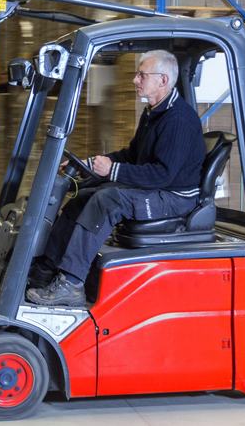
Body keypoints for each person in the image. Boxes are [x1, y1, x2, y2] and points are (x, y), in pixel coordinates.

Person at [26, 50, 206, 307]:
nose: (135, 79)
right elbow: (132, 155)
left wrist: (111, 170)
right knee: (83, 196)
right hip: (161, 188)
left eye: (142, 74)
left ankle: (71, 284)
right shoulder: (153, 113)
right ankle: (44, 270)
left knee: (107, 199)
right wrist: (90, 165)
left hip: (175, 197)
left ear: (163, 80)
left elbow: (162, 175)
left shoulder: (178, 120)